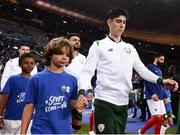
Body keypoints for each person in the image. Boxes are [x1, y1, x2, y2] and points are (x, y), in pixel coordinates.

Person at [75, 8, 179, 134]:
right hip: (104, 102)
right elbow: (87, 72)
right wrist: (82, 92)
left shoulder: (130, 48)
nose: (122, 25)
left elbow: (142, 71)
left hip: (123, 103)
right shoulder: (98, 45)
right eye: (118, 21)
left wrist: (162, 81)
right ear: (109, 22)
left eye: (124, 22)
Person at [20, 37, 83, 134]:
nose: (64, 57)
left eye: (67, 55)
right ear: (50, 54)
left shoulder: (73, 80)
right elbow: (29, 107)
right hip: (41, 131)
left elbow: (72, 103)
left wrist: (79, 104)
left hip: (64, 131)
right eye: (60, 53)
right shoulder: (36, 79)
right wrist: (22, 133)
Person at [0, 53, 36, 134]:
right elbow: (3, 98)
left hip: (29, 119)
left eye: (32, 63)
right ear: (20, 64)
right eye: (26, 63)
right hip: (11, 118)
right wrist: (0, 115)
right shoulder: (13, 79)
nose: (29, 65)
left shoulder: (35, 81)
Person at [139, 53, 167, 134]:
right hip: (153, 97)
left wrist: (164, 96)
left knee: (164, 118)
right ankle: (141, 131)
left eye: (163, 60)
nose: (162, 61)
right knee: (157, 118)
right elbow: (146, 81)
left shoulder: (160, 70)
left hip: (161, 97)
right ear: (156, 58)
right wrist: (152, 93)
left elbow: (161, 85)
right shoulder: (150, 67)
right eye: (161, 59)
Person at [65, 33, 86, 132]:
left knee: (77, 124)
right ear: (68, 42)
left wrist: (89, 89)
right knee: (61, 117)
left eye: (78, 40)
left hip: (78, 93)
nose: (77, 41)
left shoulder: (83, 58)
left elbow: (86, 75)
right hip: (63, 91)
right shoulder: (62, 55)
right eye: (74, 40)